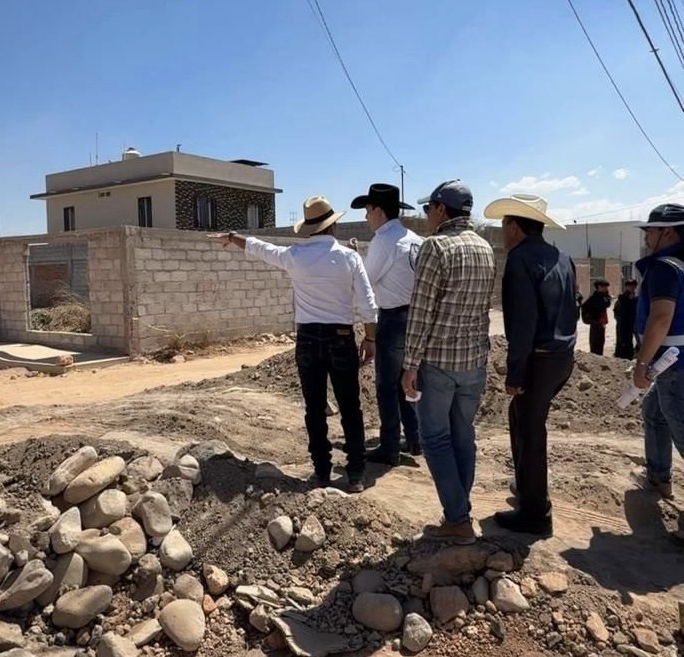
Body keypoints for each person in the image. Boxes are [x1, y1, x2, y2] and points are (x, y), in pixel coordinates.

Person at [208, 196, 377, 493]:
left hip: (308, 339)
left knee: (314, 409)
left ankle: (321, 472)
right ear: (333, 226)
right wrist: (371, 338)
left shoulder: (295, 257)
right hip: (340, 337)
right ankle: (356, 475)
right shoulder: (349, 258)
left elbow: (261, 248)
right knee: (351, 407)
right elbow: (368, 304)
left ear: (309, 228)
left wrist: (233, 237)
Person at [401, 180, 495, 543]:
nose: (426, 215)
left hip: (439, 362)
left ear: (441, 209)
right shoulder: (485, 248)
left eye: (428, 209)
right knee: (463, 436)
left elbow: (421, 311)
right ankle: (459, 512)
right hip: (473, 363)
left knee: (435, 439)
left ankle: (457, 519)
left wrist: (410, 364)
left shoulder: (435, 246)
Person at [484, 194, 578, 536]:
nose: (502, 232)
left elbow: (522, 322)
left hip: (538, 359)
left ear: (515, 227)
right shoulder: (561, 257)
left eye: (504, 225)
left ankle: (536, 513)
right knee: (522, 419)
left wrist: (516, 372)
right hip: (562, 357)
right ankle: (527, 487)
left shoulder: (520, 260)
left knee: (530, 430)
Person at [349, 183, 423, 464]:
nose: (366, 216)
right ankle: (415, 439)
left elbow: (366, 281)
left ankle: (390, 447)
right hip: (416, 318)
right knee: (407, 381)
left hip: (393, 319)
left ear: (379, 211)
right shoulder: (414, 239)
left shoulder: (384, 240)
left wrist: (354, 261)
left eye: (368, 210)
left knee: (387, 386)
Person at [631, 204, 684, 518]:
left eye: (650, 230)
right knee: (655, 412)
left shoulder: (665, 267)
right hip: (675, 363)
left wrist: (642, 365)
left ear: (669, 232)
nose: (646, 236)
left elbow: (661, 318)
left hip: (674, 366)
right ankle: (658, 476)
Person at [581, 280, 611, 355]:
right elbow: (584, 307)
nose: (605, 288)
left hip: (601, 324)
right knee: (595, 344)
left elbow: (607, 304)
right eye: (603, 287)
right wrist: (591, 319)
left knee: (600, 343)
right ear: (599, 287)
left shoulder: (604, 297)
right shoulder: (594, 298)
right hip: (595, 324)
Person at [613, 279, 639, 360]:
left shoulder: (635, 298)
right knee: (623, 341)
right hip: (623, 323)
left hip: (632, 323)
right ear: (626, 287)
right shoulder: (622, 298)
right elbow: (618, 311)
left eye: (634, 286)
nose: (632, 288)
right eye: (630, 286)